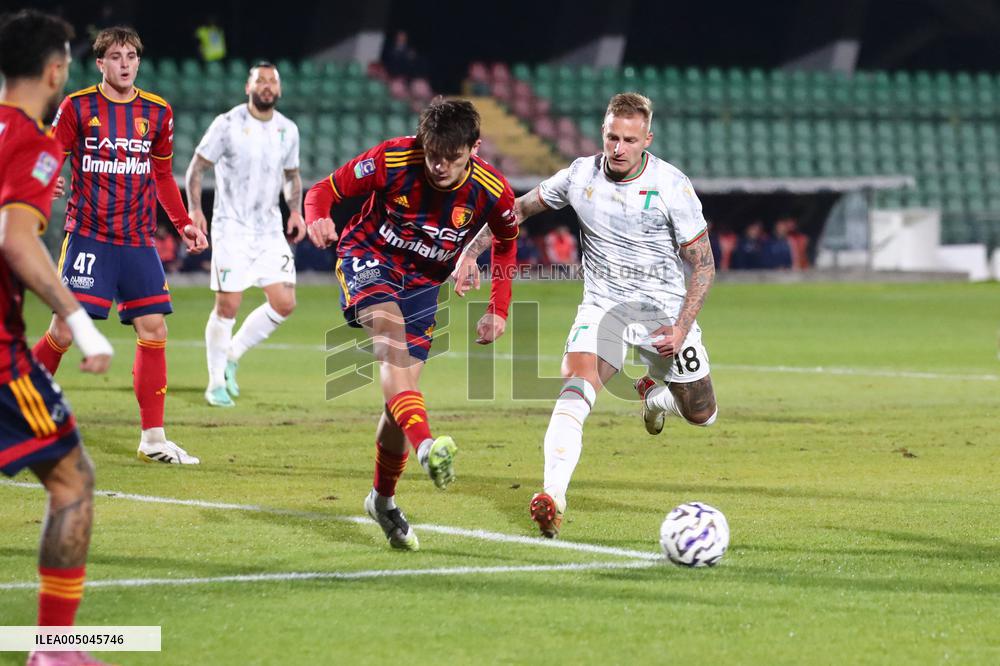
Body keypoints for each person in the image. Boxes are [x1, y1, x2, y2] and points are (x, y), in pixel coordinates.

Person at [453, 93, 719, 538]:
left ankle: (656, 398)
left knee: (703, 414)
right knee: (574, 392)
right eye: (612, 137)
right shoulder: (580, 175)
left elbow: (704, 263)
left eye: (629, 140)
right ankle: (552, 496)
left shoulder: (672, 186)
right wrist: (470, 253)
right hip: (603, 308)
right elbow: (513, 211)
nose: (618, 148)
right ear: (603, 133)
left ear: (646, 140)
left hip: (664, 315)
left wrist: (681, 327)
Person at [304, 98, 519, 551]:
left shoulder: (492, 189)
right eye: (432, 154)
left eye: (452, 158)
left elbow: (506, 242)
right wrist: (316, 217)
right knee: (391, 342)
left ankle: (382, 501)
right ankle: (426, 447)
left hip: (424, 284)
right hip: (369, 258)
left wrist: (498, 308)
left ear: (474, 149)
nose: (439, 166)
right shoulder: (393, 158)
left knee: (397, 403)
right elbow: (323, 190)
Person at [31, 25, 209, 465]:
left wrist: (183, 223)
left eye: (131, 56)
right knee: (64, 331)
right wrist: (42, 183)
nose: (125, 63)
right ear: (100, 63)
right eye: (116, 57)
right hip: (89, 235)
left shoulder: (158, 112)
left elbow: (163, 176)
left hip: (136, 240)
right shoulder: (78, 106)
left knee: (154, 329)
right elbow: (50, 154)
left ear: (138, 61)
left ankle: (153, 438)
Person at [0, 10, 115, 666]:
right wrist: (79, 321)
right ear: (54, 69)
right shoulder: (33, 143)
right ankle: (54, 651)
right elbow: (16, 239)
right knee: (72, 479)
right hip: (0, 357)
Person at [186, 61, 304, 407]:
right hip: (231, 227)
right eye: (260, 80)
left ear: (279, 90)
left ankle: (232, 356)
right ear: (248, 88)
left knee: (284, 302)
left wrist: (294, 210)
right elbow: (197, 167)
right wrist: (195, 209)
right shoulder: (227, 124)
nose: (266, 86)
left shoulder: (288, 130)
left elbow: (292, 174)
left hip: (268, 228)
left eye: (272, 81)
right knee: (228, 304)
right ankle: (214, 382)